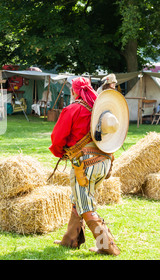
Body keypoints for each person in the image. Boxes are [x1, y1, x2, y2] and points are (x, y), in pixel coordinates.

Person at [49, 77, 123, 256]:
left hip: (84, 166)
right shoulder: (100, 109)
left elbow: (57, 138)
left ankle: (107, 246)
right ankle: (70, 240)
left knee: (86, 206)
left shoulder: (73, 109)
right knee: (79, 200)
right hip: (104, 163)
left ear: (74, 92)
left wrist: (60, 153)